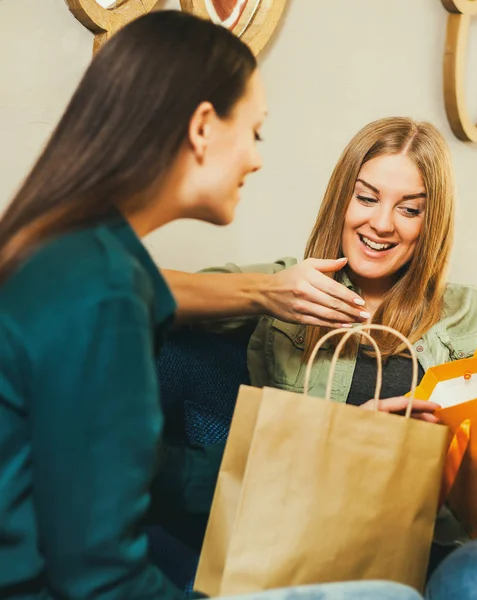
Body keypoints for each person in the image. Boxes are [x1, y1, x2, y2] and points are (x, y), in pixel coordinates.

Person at [0, 13, 423, 600]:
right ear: (202, 128)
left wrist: (327, 462)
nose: (256, 159)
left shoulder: (73, 254)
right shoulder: (101, 289)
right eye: (255, 132)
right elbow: (100, 578)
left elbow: (152, 473)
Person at [167, 117, 477, 599]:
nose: (382, 223)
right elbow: (132, 289)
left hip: (445, 545)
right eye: (367, 198)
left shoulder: (476, 316)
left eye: (409, 209)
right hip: (308, 539)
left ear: (432, 222)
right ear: (341, 198)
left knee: (474, 579)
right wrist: (263, 292)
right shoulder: (293, 285)